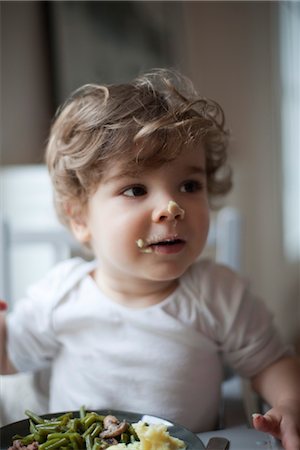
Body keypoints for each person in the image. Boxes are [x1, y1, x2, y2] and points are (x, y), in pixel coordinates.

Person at [0, 69, 299, 449]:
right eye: (135, 189)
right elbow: (9, 356)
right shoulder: (61, 293)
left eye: (189, 185)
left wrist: (289, 403)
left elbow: (270, 362)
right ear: (80, 218)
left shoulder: (218, 293)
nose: (171, 208)